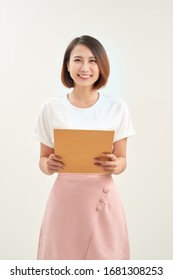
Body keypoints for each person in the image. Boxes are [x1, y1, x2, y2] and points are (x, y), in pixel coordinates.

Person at [34, 35, 135, 260]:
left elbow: (122, 160)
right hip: (64, 202)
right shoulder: (51, 108)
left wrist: (115, 164)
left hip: (103, 199)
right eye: (77, 60)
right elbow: (42, 160)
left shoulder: (117, 107)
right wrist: (48, 165)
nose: (85, 68)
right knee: (59, 264)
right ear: (67, 66)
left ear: (101, 66)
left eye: (92, 61)